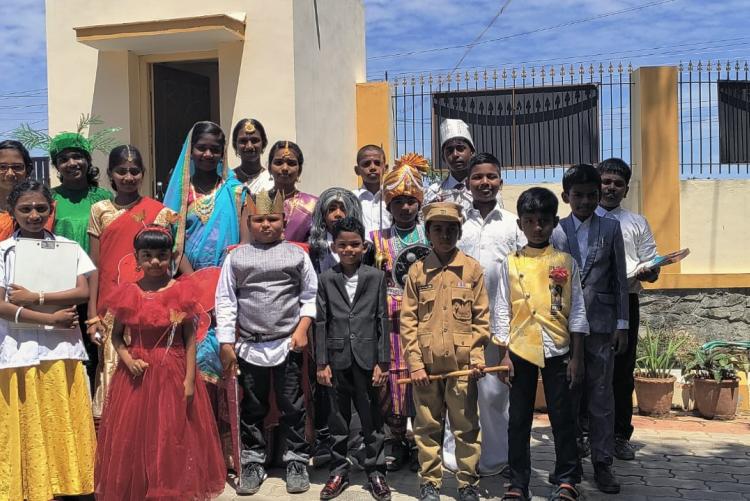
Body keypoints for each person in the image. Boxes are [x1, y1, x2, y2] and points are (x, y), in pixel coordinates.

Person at [95, 225, 226, 501]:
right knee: (137, 433)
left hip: (173, 370)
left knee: (173, 431)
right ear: (137, 257)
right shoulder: (129, 292)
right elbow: (116, 336)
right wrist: (128, 359)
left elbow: (189, 338)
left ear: (171, 256)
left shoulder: (180, 290)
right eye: (148, 255)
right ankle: (141, 487)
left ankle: (171, 488)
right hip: (136, 375)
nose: (155, 262)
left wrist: (189, 380)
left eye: (162, 255)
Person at [0, 179, 96, 501]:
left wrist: (36, 297)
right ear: (12, 211)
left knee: (60, 417)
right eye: (25, 208)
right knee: (26, 419)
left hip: (60, 348)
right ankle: (29, 485)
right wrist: (48, 318)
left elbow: (82, 291)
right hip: (19, 347)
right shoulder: (3, 251)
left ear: (51, 209)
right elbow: (1, 305)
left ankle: (66, 482)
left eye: (41, 208)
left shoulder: (67, 247)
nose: (34, 215)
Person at [216, 189, 316, 495]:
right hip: (250, 345)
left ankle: (296, 460)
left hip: (287, 343)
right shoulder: (236, 257)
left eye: (272, 219)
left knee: (292, 405)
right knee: (253, 406)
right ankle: (252, 461)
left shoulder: (297, 255)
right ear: (250, 222)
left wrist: (302, 329)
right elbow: (225, 300)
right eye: (259, 220)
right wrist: (226, 342)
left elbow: (310, 295)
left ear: (283, 221)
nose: (266, 225)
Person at [496, 187, 587, 501]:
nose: (537, 227)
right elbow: (502, 309)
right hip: (520, 349)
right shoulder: (510, 263)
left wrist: (577, 357)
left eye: (544, 221)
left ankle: (567, 479)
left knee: (563, 417)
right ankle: (517, 483)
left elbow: (575, 310)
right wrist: (504, 355)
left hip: (557, 348)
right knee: (519, 419)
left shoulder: (564, 262)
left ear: (554, 222)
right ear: (520, 224)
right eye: (530, 221)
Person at [443, 152, 525, 476]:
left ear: (501, 181)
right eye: (478, 177)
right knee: (457, 390)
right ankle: (453, 456)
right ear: (468, 183)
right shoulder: (456, 222)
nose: (484, 182)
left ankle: (496, 458)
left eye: (491, 176)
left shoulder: (513, 225)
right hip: (457, 321)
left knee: (494, 393)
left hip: (499, 322)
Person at [400, 201, 490, 501]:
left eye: (451, 229)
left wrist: (476, 358)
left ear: (459, 232)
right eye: (437, 229)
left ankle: (467, 483)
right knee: (427, 427)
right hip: (426, 367)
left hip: (463, 366)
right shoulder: (417, 272)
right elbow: (408, 321)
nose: (445, 235)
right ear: (427, 233)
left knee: (466, 427)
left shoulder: (472, 269)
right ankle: (430, 482)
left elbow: (481, 318)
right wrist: (415, 364)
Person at [86, 144, 180, 420]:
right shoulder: (99, 210)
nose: (128, 177)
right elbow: (94, 267)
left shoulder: (159, 212)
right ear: (110, 174)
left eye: (134, 171)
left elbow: (169, 257)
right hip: (110, 306)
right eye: (121, 171)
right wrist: (92, 316)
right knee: (113, 373)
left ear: (143, 174)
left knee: (148, 374)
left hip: (148, 304)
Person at [551, 163, 629, 495]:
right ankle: (569, 464)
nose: (585, 201)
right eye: (578, 195)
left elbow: (619, 280)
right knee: (566, 396)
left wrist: (622, 324)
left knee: (601, 395)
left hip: (601, 325)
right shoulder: (556, 231)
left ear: (599, 196)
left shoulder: (610, 229)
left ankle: (603, 463)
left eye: (591, 195)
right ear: (566, 196)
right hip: (564, 326)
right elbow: (552, 282)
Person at [315, 216, 391, 500]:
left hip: (367, 358)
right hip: (337, 360)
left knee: (371, 417)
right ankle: (338, 471)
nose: (349, 250)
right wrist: (321, 362)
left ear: (364, 246)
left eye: (355, 245)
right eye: (343, 245)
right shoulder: (326, 278)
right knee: (338, 419)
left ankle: (376, 471)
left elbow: (382, 319)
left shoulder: (375, 277)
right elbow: (321, 322)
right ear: (334, 247)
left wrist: (383, 362)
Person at [368, 153, 430, 472]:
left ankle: (421, 442)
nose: (405, 207)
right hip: (389, 319)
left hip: (424, 317)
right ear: (389, 205)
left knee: (421, 377)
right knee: (392, 380)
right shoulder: (376, 240)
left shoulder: (431, 237)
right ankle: (395, 439)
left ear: (419, 203)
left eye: (410, 201)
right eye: (398, 202)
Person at [596, 158, 659, 461]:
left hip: (626, 303)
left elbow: (652, 263)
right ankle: (586, 432)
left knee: (622, 371)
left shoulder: (637, 223)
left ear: (626, 189)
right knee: (588, 368)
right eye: (606, 182)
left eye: (618, 184)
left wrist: (650, 271)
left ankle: (620, 435)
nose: (611, 188)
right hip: (591, 303)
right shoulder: (582, 218)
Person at [49, 131, 113, 390]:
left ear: (88, 160)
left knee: (97, 349)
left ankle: (98, 405)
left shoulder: (103, 197)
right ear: (56, 166)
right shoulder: (49, 199)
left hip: (100, 283)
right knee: (65, 351)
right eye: (64, 159)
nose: (72, 163)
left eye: (77, 157)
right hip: (62, 286)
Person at [424, 119, 504, 211]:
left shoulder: (486, 189)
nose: (455, 154)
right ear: (443, 157)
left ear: (472, 152)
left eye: (460, 148)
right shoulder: (434, 192)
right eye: (450, 150)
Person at [266, 140, 318, 244]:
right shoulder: (257, 201)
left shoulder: (313, 204)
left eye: (291, 163)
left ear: (300, 170)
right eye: (278, 163)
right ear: (269, 168)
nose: (285, 168)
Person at [309, 187, 364, 273]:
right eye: (332, 209)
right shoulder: (313, 249)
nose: (338, 214)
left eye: (343, 209)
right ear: (323, 215)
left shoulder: (364, 248)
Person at [0, 140, 37, 239]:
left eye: (17, 167)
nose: (10, 173)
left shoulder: (41, 209)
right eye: (2, 167)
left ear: (28, 170)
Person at [353, 145, 391, 236]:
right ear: (357, 170)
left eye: (378, 163)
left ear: (385, 168)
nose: (373, 167)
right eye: (366, 164)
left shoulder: (393, 197)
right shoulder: (351, 198)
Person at [232, 118, 275, 194]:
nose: (249, 146)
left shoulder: (272, 179)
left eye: (255, 140)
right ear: (235, 145)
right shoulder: (228, 179)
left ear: (263, 143)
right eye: (243, 141)